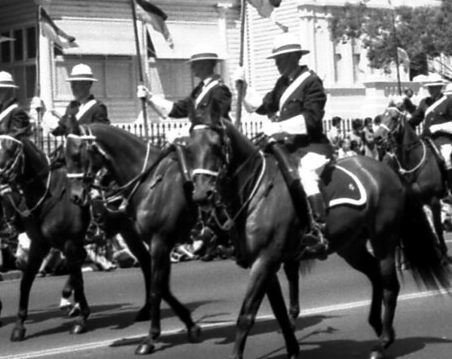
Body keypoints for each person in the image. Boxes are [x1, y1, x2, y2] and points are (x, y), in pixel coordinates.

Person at [235, 33, 334, 259]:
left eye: (280, 59)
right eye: (276, 59)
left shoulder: (311, 82)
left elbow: (312, 119)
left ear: (293, 57)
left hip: (311, 147)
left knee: (307, 175)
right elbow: (264, 106)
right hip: (286, 148)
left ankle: (319, 230)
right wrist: (244, 86)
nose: (277, 63)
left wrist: (279, 127)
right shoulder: (282, 83)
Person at [0, 71, 32, 240]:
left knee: (4, 186)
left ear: (9, 91)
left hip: (10, 158)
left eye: (1, 89)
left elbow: (14, 140)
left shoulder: (18, 112)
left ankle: (11, 223)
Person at [138, 47, 232, 128]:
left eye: (195, 63)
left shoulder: (220, 90)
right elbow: (178, 109)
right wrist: (150, 98)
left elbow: (214, 120)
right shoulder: (199, 90)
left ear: (206, 64)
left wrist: (185, 131)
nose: (192, 67)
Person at [408, 73, 452, 195]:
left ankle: (449, 189)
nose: (430, 89)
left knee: (446, 158)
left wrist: (438, 127)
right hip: (426, 139)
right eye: (429, 87)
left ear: (440, 87)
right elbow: (414, 120)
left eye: (433, 87)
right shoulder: (424, 103)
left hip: (443, 140)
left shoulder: (448, 102)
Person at [51, 64, 109, 135]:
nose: (72, 87)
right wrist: (50, 123)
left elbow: (102, 133)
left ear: (88, 84)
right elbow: (59, 130)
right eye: (72, 83)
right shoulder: (71, 107)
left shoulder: (98, 108)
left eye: (76, 83)